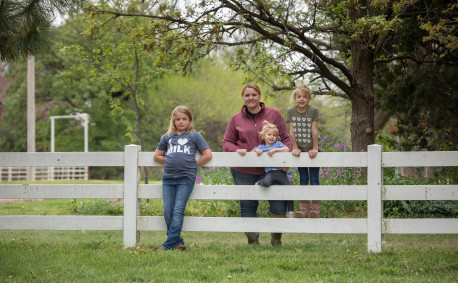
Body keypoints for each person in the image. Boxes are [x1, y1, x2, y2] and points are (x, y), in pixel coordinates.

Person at [222, 83, 291, 246]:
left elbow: (286, 139)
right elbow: (227, 142)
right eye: (247, 95)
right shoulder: (235, 119)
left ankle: (276, 240)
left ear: (259, 96)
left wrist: (285, 160)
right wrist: (238, 151)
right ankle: (253, 241)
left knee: (278, 201)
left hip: (273, 169)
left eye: (254, 94)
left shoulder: (273, 114)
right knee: (248, 203)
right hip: (243, 169)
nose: (251, 98)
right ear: (243, 98)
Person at [154, 105, 212, 251]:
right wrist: (168, 161)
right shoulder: (167, 137)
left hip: (186, 178)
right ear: (173, 120)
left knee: (178, 210)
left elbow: (207, 154)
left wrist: (194, 165)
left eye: (184, 119)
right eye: (178, 119)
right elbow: (157, 156)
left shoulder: (195, 136)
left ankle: (167, 245)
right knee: (168, 211)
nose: (181, 122)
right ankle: (178, 242)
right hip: (168, 178)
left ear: (189, 120)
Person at [286, 85, 322, 218]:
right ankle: (304, 209)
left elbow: (314, 130)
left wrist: (315, 148)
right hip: (299, 150)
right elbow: (292, 131)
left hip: (312, 149)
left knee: (313, 178)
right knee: (303, 178)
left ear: (309, 98)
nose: (302, 99)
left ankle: (315, 209)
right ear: (295, 98)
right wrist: (295, 147)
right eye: (299, 96)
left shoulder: (313, 110)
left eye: (305, 97)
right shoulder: (290, 111)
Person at [252, 121, 295, 218]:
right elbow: (252, 151)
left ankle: (291, 212)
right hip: (271, 173)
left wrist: (274, 150)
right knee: (266, 183)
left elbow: (287, 149)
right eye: (269, 134)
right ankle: (259, 182)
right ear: (263, 136)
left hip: (281, 173)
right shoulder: (261, 147)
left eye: (274, 135)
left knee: (288, 190)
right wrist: (256, 150)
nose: (272, 137)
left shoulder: (278, 144)